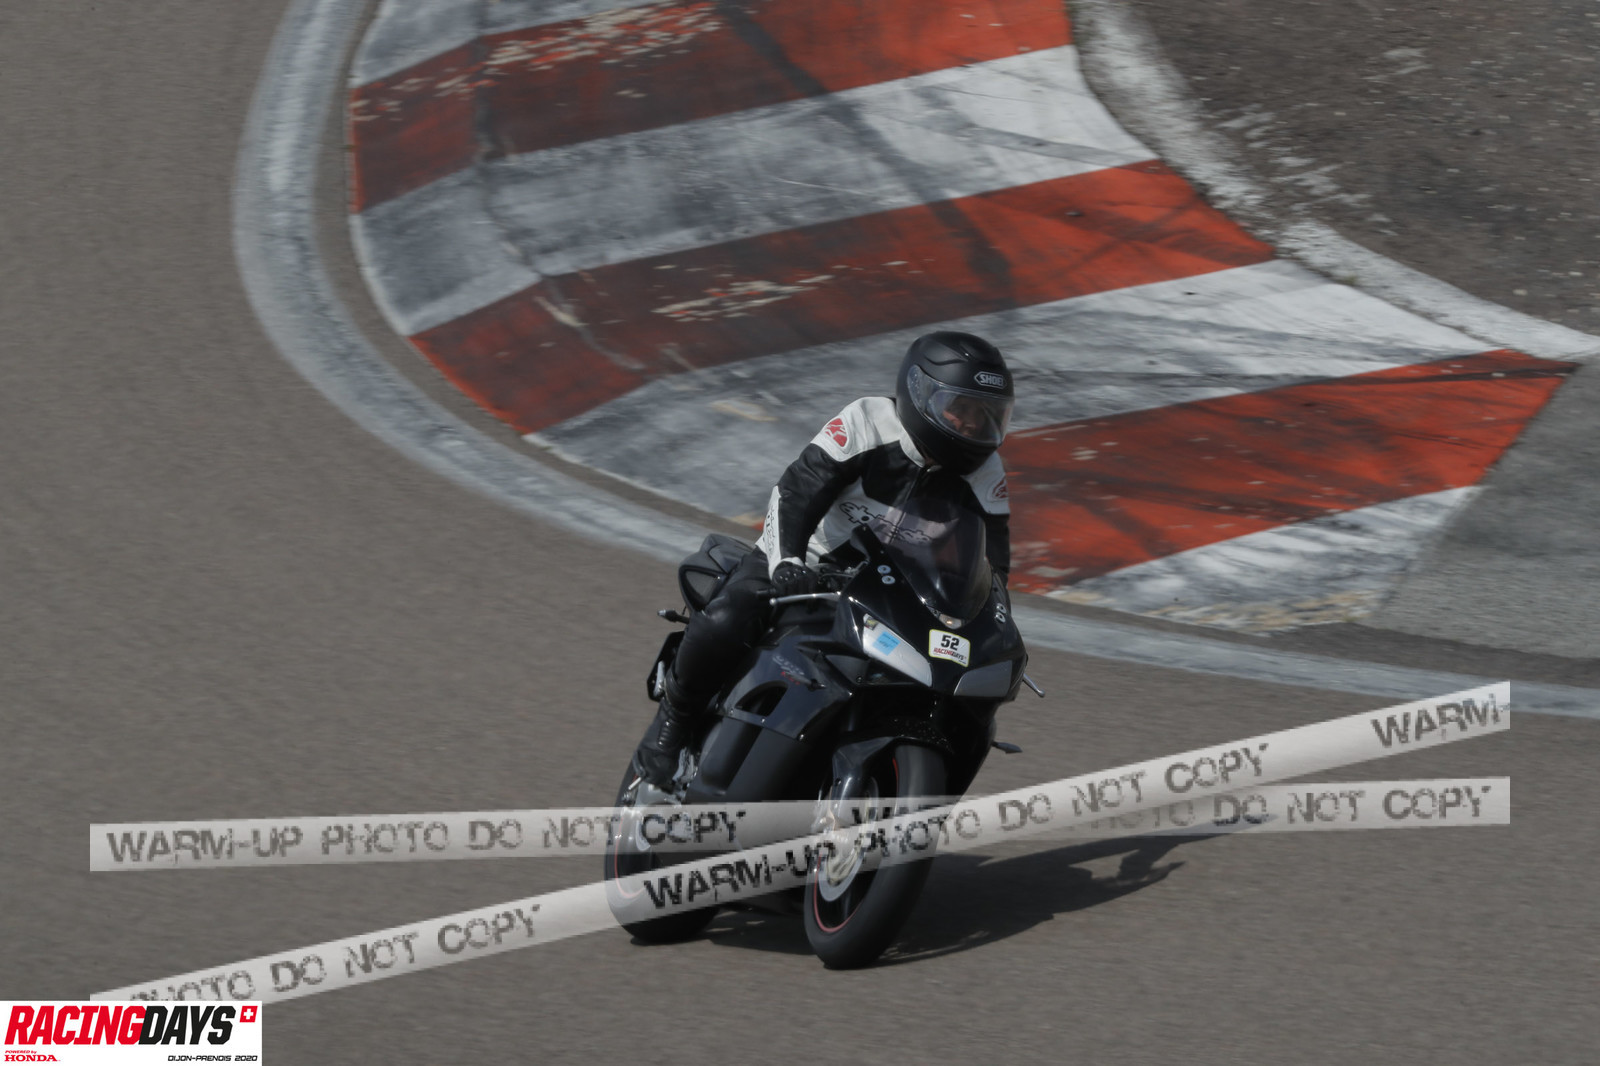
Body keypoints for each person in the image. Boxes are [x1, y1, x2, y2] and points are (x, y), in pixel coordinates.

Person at [632, 331, 1016, 788]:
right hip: (808, 562)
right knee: (731, 612)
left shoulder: (985, 473)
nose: (972, 426)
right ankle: (671, 725)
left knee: (962, 693)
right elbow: (797, 490)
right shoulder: (867, 422)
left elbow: (993, 565)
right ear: (919, 393)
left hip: (894, 593)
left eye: (986, 415)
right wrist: (787, 562)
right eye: (961, 409)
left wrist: (989, 622)